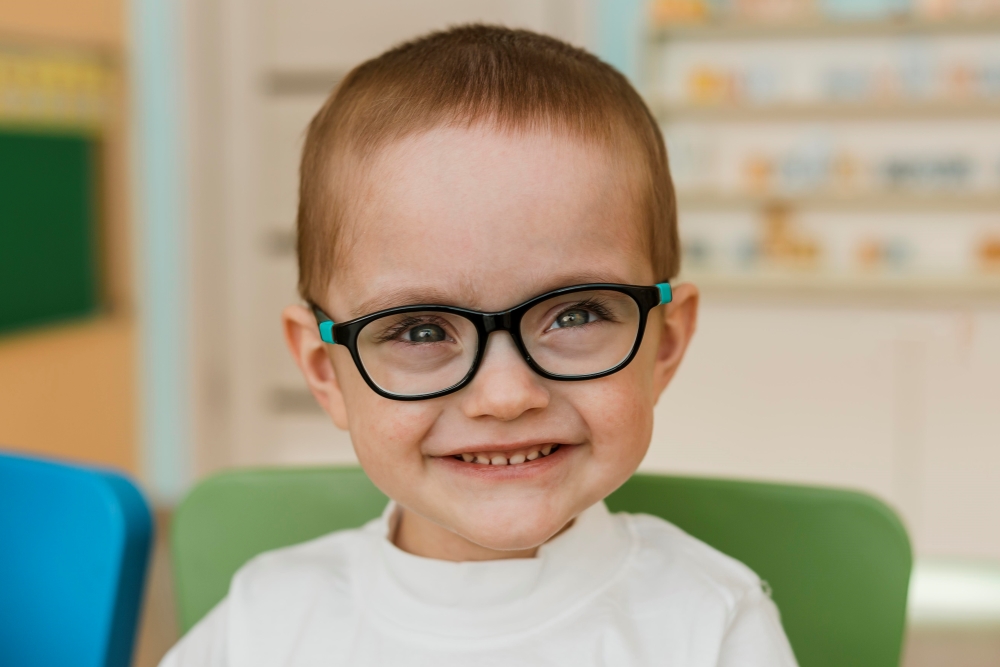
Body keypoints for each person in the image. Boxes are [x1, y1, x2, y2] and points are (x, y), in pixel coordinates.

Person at [161, 25, 798, 666]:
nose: (505, 396)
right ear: (325, 371)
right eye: (420, 330)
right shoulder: (265, 623)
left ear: (665, 345)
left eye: (575, 315)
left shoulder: (712, 623)